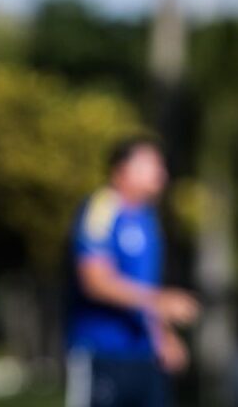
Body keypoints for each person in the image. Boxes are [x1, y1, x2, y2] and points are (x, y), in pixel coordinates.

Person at [64, 136, 200, 407]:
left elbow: (140, 287)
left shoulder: (147, 217)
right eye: (152, 164)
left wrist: (163, 336)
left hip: (144, 355)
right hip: (102, 353)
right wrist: (159, 300)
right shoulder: (101, 209)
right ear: (122, 170)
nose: (162, 173)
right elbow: (94, 281)